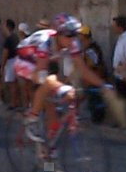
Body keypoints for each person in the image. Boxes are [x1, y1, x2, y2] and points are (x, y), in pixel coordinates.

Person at [18, 14, 120, 143]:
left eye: (74, 35)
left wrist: (103, 85)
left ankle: (48, 150)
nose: (72, 39)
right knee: (49, 81)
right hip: (25, 59)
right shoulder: (45, 42)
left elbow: (83, 69)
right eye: (68, 35)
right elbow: (42, 75)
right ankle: (32, 119)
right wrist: (62, 89)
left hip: (45, 60)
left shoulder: (73, 43)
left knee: (51, 109)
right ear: (58, 34)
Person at [1, 19, 20, 109]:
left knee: (11, 83)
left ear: (8, 27)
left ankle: (13, 103)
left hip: (10, 62)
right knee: (15, 83)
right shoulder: (15, 37)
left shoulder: (8, 39)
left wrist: (2, 66)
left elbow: (5, 53)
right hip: (16, 60)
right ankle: (17, 101)